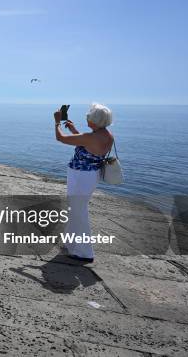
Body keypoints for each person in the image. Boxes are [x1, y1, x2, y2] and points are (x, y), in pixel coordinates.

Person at [54, 103, 114, 263]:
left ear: (95, 121)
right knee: (76, 209)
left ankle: (85, 253)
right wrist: (74, 130)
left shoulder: (90, 137)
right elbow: (87, 144)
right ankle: (70, 242)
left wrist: (57, 122)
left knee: (79, 212)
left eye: (89, 116)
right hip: (91, 175)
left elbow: (60, 138)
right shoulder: (107, 135)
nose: (87, 117)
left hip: (80, 177)